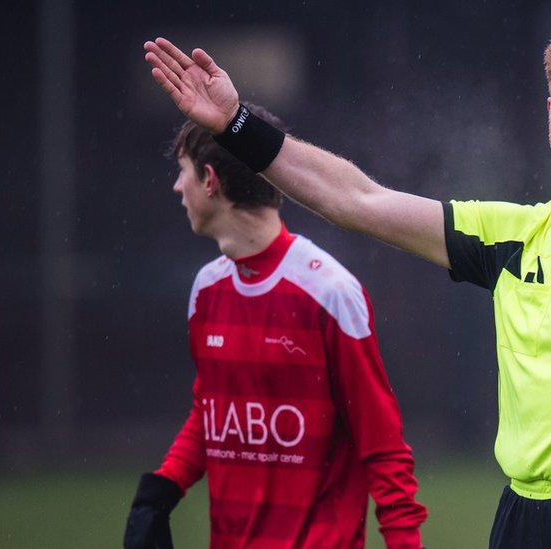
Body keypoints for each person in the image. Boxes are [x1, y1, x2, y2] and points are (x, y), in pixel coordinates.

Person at [144, 25, 551, 548]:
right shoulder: (517, 234)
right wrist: (237, 125)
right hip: (521, 513)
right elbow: (358, 201)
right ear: (548, 111)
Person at [123, 102, 427, 549]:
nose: (176, 187)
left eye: (183, 171)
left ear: (210, 181)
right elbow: (214, 412)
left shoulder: (329, 292)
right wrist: (163, 489)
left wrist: (405, 544)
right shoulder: (207, 290)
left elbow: (382, 446)